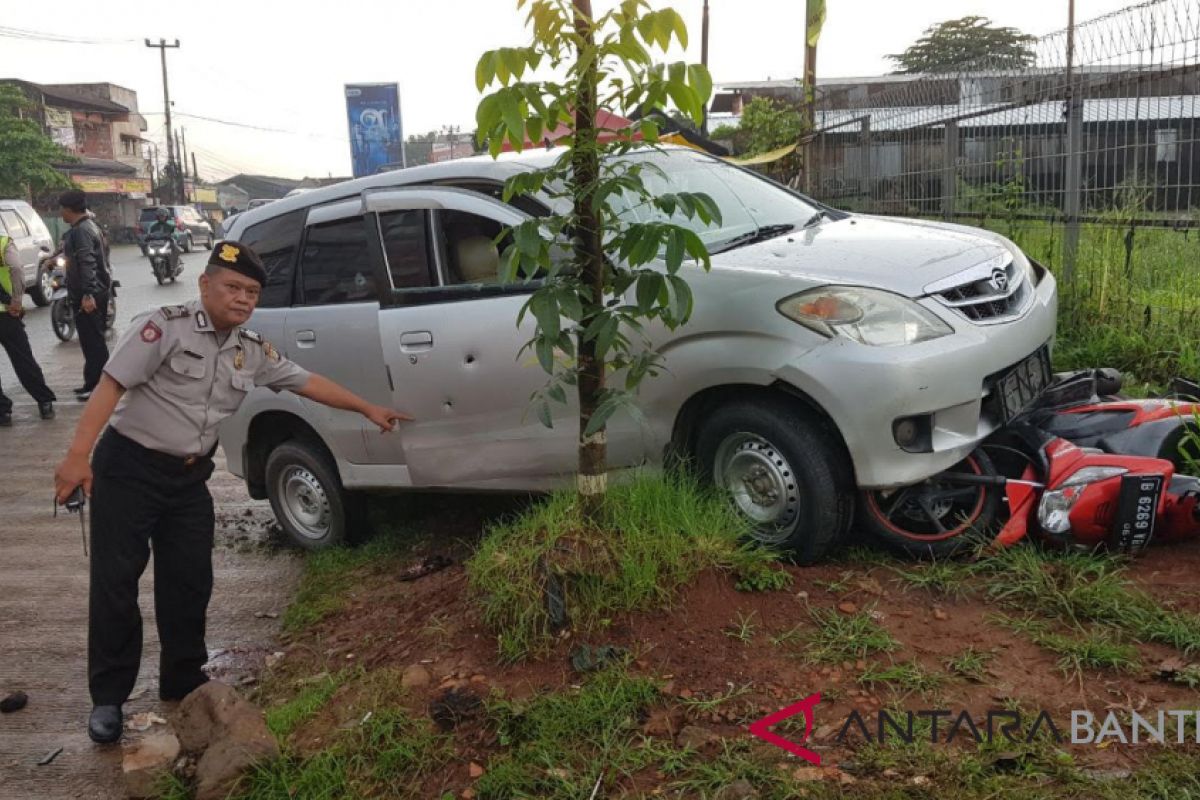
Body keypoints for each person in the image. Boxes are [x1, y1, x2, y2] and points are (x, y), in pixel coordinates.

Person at [53, 241, 412, 745]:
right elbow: (110, 385)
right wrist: (77, 456)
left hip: (188, 478)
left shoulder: (252, 350)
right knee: (116, 584)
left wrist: (368, 408)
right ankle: (108, 698)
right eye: (233, 288)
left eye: (252, 291)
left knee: (190, 580)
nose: (243, 299)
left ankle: (182, 677)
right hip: (128, 469)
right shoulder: (165, 326)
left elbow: (307, 382)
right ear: (205, 286)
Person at [59, 191, 111, 400]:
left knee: (94, 343)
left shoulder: (82, 230)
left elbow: (87, 262)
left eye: (62, 209)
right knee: (90, 342)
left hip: (90, 293)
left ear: (69, 210)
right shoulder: (86, 226)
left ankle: (100, 387)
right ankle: (91, 382)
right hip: (93, 290)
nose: (60, 213)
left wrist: (88, 294)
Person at [0, 232, 56, 425]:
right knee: (23, 360)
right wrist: (15, 300)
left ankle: (2, 413)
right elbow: (16, 268)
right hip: (7, 314)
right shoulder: (3, 242)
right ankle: (44, 401)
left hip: (6, 311)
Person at [146, 207, 180, 272]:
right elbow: (149, 233)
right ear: (157, 217)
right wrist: (147, 237)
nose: (162, 218)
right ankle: (154, 266)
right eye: (160, 216)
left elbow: (175, 233)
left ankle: (173, 266)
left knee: (176, 249)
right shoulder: (153, 226)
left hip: (167, 242)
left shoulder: (170, 225)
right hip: (157, 243)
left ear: (166, 217)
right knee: (149, 251)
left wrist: (173, 235)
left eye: (163, 216)